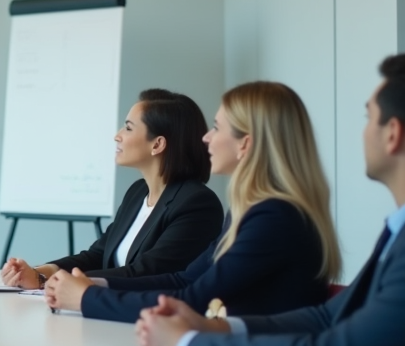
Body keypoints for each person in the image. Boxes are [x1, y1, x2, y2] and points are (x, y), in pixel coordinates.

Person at [137, 55, 405, 346]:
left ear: (393, 134)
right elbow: (325, 317)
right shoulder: (395, 231)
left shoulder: (277, 216)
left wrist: (188, 343)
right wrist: (215, 326)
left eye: (368, 117)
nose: (361, 131)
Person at [45, 81, 340, 322]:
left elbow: (195, 299)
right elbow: (182, 280)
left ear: (245, 144)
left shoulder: (275, 217)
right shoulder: (249, 211)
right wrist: (91, 285)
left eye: (217, 128)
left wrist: (86, 297)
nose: (207, 138)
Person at [1, 90, 223, 288]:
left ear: (157, 144)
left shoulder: (197, 203)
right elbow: (97, 255)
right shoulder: (138, 192)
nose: (117, 135)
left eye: (128, 128)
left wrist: (48, 282)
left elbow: (147, 272)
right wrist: (40, 271)